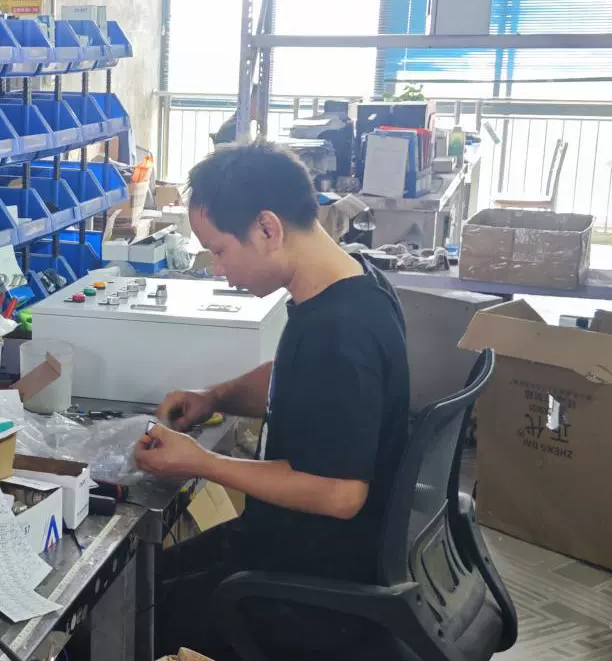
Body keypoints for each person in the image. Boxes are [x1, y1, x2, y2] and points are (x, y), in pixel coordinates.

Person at [133, 141, 409, 659]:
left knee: (125, 611)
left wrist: (203, 462)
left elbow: (339, 493)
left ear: (267, 228)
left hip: (312, 587)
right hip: (286, 544)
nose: (217, 269)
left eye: (219, 251)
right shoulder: (351, 285)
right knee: (137, 576)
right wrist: (215, 396)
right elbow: (299, 378)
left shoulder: (340, 331)